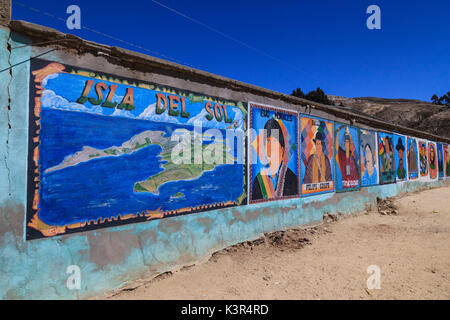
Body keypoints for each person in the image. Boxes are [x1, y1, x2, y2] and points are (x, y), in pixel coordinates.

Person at [252, 118, 298, 200]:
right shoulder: (258, 180)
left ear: (282, 149)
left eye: (274, 141)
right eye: (268, 141)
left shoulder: (292, 178)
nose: (270, 147)